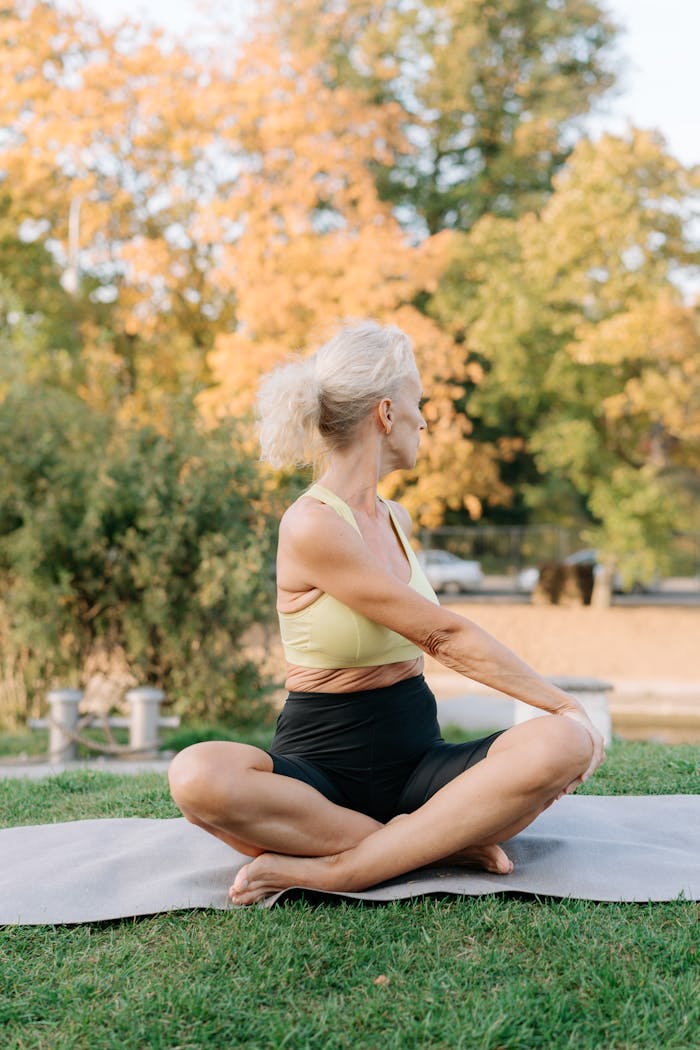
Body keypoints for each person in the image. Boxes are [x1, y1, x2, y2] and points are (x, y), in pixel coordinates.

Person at [168, 320, 604, 905]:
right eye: (417, 402)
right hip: (320, 772)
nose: (425, 419)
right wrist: (563, 703)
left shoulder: (396, 518)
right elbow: (442, 636)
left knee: (559, 746)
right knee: (197, 776)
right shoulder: (312, 523)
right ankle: (409, 853)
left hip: (418, 760)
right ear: (386, 413)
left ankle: (358, 857)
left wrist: (564, 726)